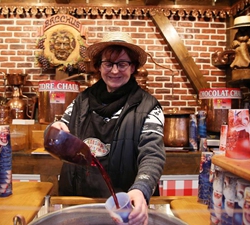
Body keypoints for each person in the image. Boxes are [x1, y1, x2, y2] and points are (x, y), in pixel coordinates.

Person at [45, 32, 166, 225]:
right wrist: (53, 131)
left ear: (133, 67)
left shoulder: (148, 107)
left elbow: (152, 154)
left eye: (122, 64)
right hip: (79, 201)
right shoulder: (81, 101)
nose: (115, 71)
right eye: (108, 64)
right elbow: (61, 129)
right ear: (99, 67)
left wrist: (141, 188)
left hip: (124, 207)